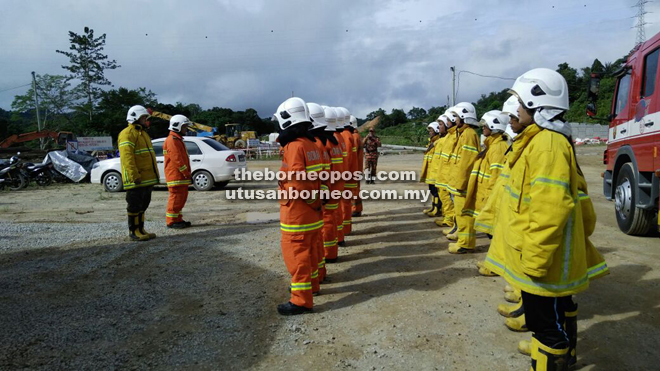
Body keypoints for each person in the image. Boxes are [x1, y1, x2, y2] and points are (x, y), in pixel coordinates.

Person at [489, 68, 609, 369]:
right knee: (549, 318)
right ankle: (560, 352)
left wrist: (535, 260)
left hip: (544, 260)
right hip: (541, 256)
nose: (514, 111)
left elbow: (549, 210)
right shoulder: (539, 141)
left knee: (546, 327)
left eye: (519, 104)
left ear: (536, 104)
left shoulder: (548, 145)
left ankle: (553, 356)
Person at [274, 97, 324, 316]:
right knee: (311, 253)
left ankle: (301, 300)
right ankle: (310, 288)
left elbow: (297, 180)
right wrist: (316, 202)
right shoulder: (312, 144)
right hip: (311, 213)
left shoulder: (294, 146)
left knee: (297, 257)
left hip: (297, 213)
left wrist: (311, 200)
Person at [458, 110, 509, 253]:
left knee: (494, 232)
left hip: (489, 198)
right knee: (491, 231)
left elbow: (496, 178)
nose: (482, 128)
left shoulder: (498, 148)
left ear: (494, 126)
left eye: (485, 125)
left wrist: (489, 201)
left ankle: (498, 262)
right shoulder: (492, 146)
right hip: (484, 196)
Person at [118, 105, 159, 241]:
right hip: (136, 179)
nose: (145, 120)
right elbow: (127, 158)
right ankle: (134, 231)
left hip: (146, 178)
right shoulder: (127, 134)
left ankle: (141, 229)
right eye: (143, 117)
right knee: (134, 205)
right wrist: (134, 175)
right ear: (135, 117)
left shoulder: (143, 134)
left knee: (143, 205)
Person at [445, 102, 480, 253]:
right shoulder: (465, 133)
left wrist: (461, 182)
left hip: (462, 184)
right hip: (458, 183)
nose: (455, 120)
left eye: (457, 117)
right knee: (460, 213)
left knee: (464, 213)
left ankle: (465, 244)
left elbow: (467, 161)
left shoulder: (469, 134)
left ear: (464, 117)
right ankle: (463, 240)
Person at [307, 102, 332, 281]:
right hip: (322, 196)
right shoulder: (319, 144)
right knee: (316, 242)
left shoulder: (309, 145)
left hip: (306, 207)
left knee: (308, 245)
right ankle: (319, 275)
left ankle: (310, 284)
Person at [322, 106, 344, 263]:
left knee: (328, 220)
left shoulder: (324, 143)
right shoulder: (336, 140)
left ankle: (329, 254)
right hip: (337, 185)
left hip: (329, 188)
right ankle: (336, 245)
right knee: (334, 216)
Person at [164, 114, 193, 229]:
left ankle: (178, 219)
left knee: (181, 198)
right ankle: (171, 221)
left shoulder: (177, 139)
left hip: (179, 176)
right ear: (177, 126)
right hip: (176, 175)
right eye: (185, 127)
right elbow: (177, 159)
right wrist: (186, 173)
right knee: (176, 198)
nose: (186, 129)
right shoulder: (172, 140)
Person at [434, 109, 458, 229]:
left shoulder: (454, 137)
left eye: (442, 123)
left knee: (449, 199)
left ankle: (450, 220)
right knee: (444, 197)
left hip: (448, 175)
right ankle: (448, 218)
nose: (440, 127)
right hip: (442, 174)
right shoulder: (449, 137)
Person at [338, 107, 357, 236]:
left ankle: (344, 230)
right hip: (348, 174)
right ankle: (345, 229)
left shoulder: (343, 136)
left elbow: (348, 158)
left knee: (343, 204)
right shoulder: (347, 135)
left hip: (345, 175)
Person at [421, 122, 441, 214]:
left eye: (431, 130)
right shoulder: (432, 142)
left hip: (435, 171)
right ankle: (433, 207)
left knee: (436, 191)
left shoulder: (438, 142)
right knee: (432, 190)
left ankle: (437, 209)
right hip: (430, 170)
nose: (429, 132)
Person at [350, 116, 364, 217]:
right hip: (357, 168)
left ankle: (355, 209)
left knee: (354, 191)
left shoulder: (353, 137)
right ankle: (357, 209)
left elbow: (352, 155)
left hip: (354, 169)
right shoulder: (357, 135)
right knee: (356, 190)